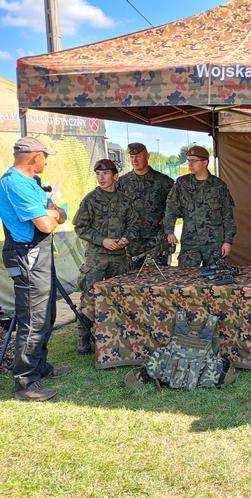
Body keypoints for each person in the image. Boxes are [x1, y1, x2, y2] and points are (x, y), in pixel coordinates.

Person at [0, 136, 70, 401]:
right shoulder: (14, 184)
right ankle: (26, 383)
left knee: (46, 314)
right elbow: (47, 224)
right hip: (26, 255)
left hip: (39, 255)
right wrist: (52, 214)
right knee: (32, 319)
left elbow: (59, 213)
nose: (46, 161)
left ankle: (39, 367)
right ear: (35, 157)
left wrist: (52, 213)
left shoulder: (30, 184)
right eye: (45, 156)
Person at [72, 159, 138, 355]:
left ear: (115, 176)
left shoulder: (125, 201)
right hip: (97, 258)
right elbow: (80, 227)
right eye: (98, 174)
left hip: (119, 258)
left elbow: (134, 225)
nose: (101, 177)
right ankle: (84, 337)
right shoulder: (90, 200)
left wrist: (127, 238)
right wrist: (102, 240)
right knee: (90, 298)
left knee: (118, 297)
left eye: (105, 173)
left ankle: (115, 337)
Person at [163, 145, 236, 267]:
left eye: (194, 161)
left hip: (214, 243)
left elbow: (228, 216)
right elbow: (171, 209)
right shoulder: (182, 184)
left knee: (215, 278)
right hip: (190, 242)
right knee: (187, 279)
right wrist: (169, 231)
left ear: (205, 162)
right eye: (188, 160)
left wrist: (228, 241)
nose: (190, 164)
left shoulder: (219, 186)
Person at [117, 142, 173, 268]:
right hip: (132, 242)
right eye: (131, 157)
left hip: (156, 242)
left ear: (148, 156)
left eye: (139, 156)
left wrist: (167, 223)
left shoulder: (163, 181)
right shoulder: (122, 182)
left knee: (158, 282)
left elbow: (175, 208)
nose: (134, 160)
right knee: (132, 282)